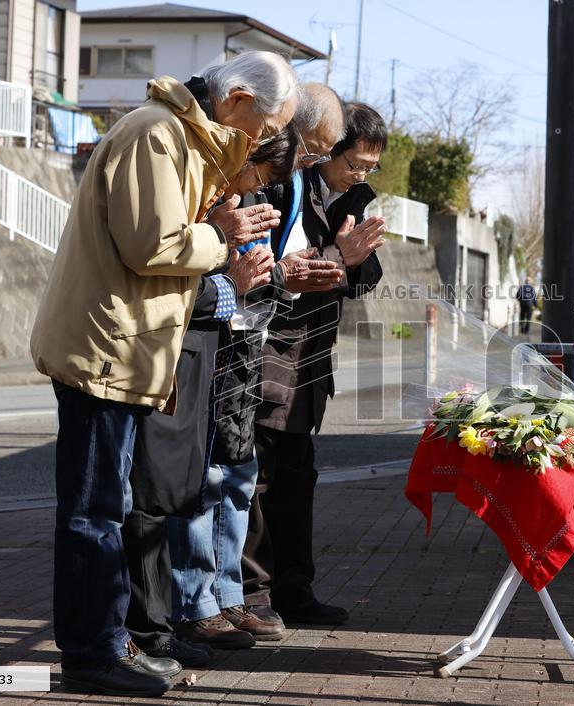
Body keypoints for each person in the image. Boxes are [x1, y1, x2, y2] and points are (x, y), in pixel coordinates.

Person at [29, 50, 298, 697]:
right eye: (261, 127)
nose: (257, 142)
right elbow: (152, 243)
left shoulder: (174, 134)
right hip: (105, 348)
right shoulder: (157, 132)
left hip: (122, 347)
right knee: (94, 511)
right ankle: (93, 656)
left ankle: (109, 644)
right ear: (234, 97)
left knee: (108, 507)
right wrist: (222, 236)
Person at [167, 83, 349, 648]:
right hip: (209, 343)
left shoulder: (284, 182)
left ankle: (228, 595)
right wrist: (241, 273)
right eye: (310, 150)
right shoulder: (212, 171)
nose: (313, 165)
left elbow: (275, 264)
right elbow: (181, 263)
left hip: (249, 336)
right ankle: (197, 602)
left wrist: (294, 274)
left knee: (237, 475)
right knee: (199, 480)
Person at [122, 127, 300, 665]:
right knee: (162, 494)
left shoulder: (238, 195)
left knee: (227, 479)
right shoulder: (189, 181)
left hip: (230, 348)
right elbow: (162, 270)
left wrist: (281, 275)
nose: (264, 191)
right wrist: (230, 268)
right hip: (179, 355)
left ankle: (213, 602)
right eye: (267, 175)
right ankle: (175, 618)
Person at [248, 102, 389, 626]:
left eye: (370, 168)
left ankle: (294, 590)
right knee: (256, 478)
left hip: (311, 351)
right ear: (326, 149)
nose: (360, 175)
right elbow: (273, 271)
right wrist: (338, 255)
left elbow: (365, 274)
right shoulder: (284, 185)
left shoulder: (354, 197)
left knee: (297, 476)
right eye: (354, 163)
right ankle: (253, 595)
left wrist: (348, 257)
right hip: (265, 349)